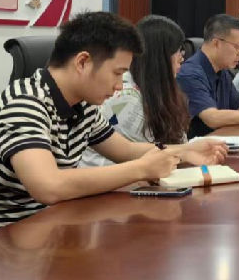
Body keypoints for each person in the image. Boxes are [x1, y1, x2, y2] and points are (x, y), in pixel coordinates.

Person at [0, 12, 226, 239]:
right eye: (117, 73)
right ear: (82, 62)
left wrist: (184, 151)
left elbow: (126, 150)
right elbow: (48, 185)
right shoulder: (24, 103)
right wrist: (140, 169)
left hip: (46, 228)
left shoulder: (81, 106)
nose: (119, 85)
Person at [80, 15, 191, 167]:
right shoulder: (126, 97)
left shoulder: (159, 91)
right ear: (160, 57)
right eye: (177, 51)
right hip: (112, 178)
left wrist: (191, 150)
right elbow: (143, 159)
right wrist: (188, 152)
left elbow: (177, 144)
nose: (181, 58)